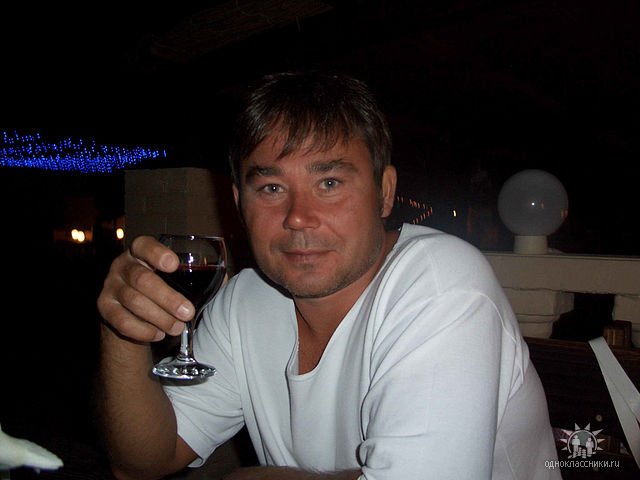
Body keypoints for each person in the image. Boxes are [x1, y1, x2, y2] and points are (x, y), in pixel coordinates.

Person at [97, 70, 560, 480]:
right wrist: (123, 331)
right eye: (271, 187)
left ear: (384, 193)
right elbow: (143, 461)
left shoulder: (441, 284)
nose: (298, 216)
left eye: (329, 183)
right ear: (239, 204)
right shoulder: (245, 302)